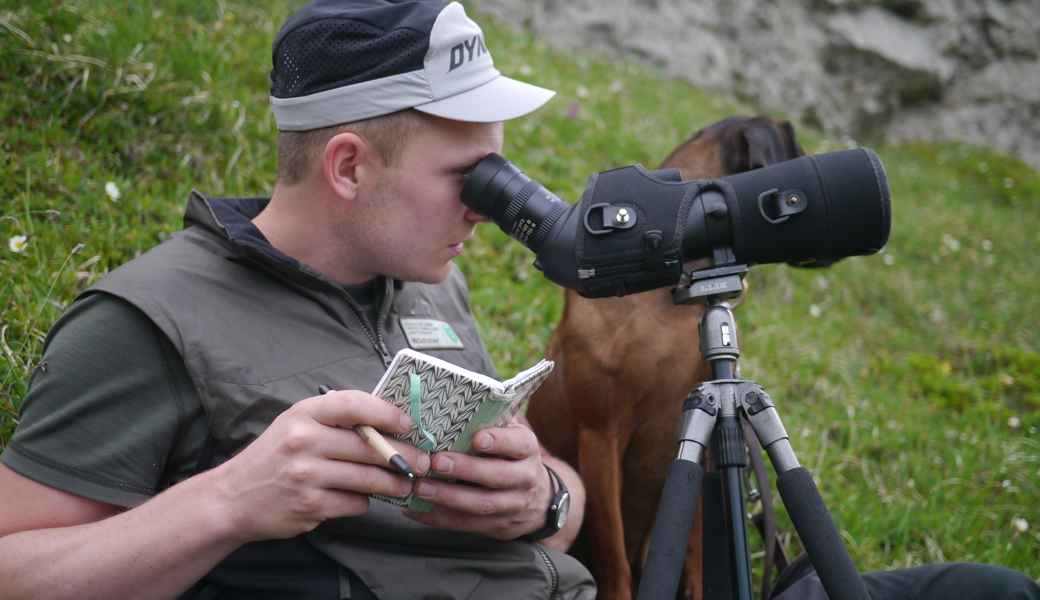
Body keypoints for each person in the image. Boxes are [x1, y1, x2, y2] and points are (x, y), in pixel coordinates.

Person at [0, 1, 594, 598]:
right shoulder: (148, 320)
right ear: (349, 167)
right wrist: (229, 501)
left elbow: (555, 504)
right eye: (467, 178)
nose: (482, 211)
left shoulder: (428, 287)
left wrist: (544, 498)